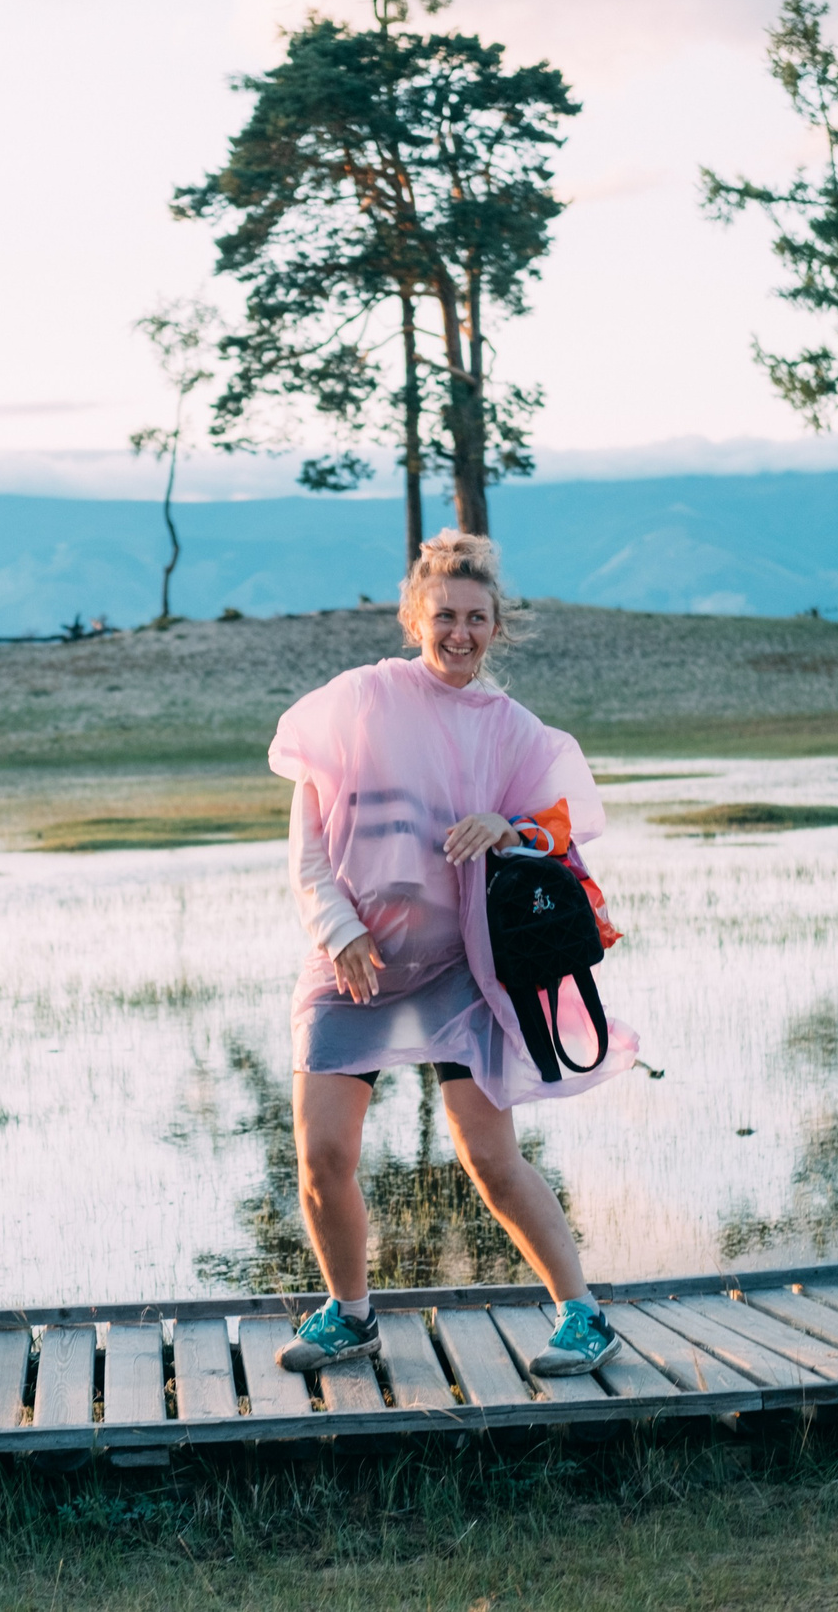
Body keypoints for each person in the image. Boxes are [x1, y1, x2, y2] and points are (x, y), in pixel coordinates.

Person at [268, 529, 638, 1378]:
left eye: (477, 617)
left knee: (490, 1158)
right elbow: (308, 845)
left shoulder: (510, 730)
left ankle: (583, 1316)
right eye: (445, 615)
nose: (460, 632)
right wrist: (342, 931)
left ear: (497, 626)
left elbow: (564, 822)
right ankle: (351, 1315)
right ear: (413, 617)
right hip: (352, 964)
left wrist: (508, 826)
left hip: (462, 971)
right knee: (324, 1158)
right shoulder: (356, 702)